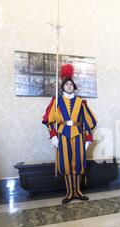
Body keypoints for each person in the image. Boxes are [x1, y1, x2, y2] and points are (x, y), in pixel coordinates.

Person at [42, 64, 97, 204]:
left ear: (74, 87)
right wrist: (53, 136)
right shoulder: (56, 101)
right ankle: (69, 192)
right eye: (66, 84)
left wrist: (88, 139)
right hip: (63, 135)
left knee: (78, 164)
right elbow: (49, 121)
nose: (69, 86)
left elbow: (87, 121)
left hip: (79, 135)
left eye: (71, 84)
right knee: (66, 164)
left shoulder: (81, 102)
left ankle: (78, 191)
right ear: (62, 87)